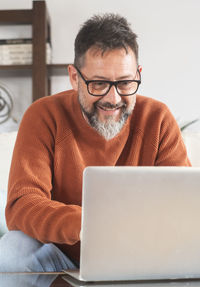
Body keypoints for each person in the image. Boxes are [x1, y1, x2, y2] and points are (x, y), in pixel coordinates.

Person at [0, 13, 190, 272]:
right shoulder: (43, 115)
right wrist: (89, 223)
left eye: (125, 83)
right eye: (98, 84)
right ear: (75, 77)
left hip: (139, 255)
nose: (113, 99)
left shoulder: (158, 119)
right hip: (61, 255)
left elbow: (183, 204)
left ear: (138, 74)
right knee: (13, 250)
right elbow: (22, 206)